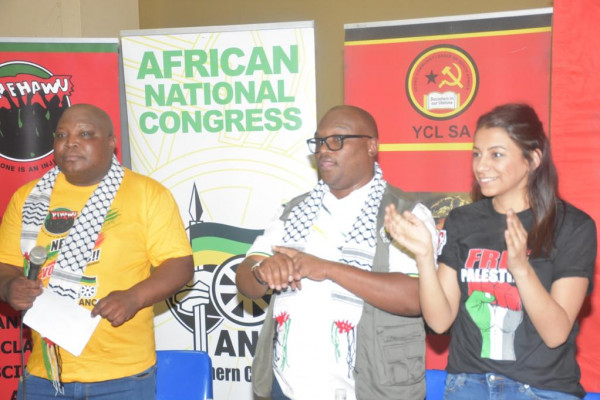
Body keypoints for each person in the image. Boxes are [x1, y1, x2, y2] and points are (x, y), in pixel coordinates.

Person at [384, 103, 597, 399]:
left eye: (496, 154)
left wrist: (521, 269)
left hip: (539, 389)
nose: (481, 166)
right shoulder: (462, 220)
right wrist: (423, 257)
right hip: (467, 385)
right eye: (477, 154)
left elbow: (555, 334)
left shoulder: (572, 226)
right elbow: (439, 321)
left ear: (533, 159)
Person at [236, 105, 438, 400]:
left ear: (371, 146)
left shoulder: (405, 214)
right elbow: (246, 279)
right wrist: (262, 272)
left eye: (337, 140)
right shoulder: (294, 211)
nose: (323, 150)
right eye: (319, 141)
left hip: (370, 389)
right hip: (287, 387)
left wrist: (328, 269)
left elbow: (416, 298)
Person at [0, 104, 194, 400]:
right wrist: (9, 286)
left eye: (85, 134)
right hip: (44, 375)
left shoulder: (148, 194)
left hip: (122, 377)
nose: (70, 142)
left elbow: (179, 264)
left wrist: (134, 297)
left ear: (111, 143)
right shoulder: (27, 198)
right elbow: (6, 265)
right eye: (61, 135)